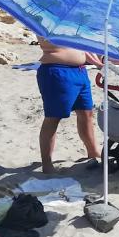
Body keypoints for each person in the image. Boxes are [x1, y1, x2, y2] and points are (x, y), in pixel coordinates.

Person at [36, 38, 102, 174]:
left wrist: (97, 63)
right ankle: (47, 164)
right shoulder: (49, 19)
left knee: (86, 113)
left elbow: (81, 45)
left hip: (80, 71)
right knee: (53, 117)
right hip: (57, 70)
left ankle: (93, 151)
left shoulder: (73, 19)